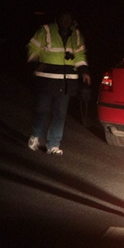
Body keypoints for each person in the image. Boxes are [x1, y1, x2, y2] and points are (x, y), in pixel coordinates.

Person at [26, 8, 92, 155]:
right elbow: (33, 47)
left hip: (66, 82)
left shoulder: (76, 35)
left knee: (60, 114)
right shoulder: (46, 30)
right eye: (64, 18)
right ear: (58, 18)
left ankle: (53, 145)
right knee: (42, 110)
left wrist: (84, 71)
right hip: (46, 79)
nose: (66, 21)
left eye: (69, 18)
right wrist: (35, 63)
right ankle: (36, 136)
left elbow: (80, 55)